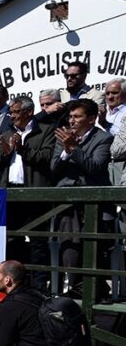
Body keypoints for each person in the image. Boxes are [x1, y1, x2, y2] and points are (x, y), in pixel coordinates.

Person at [50, 99, 114, 299]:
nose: (72, 121)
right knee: (70, 242)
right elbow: (54, 168)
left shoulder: (103, 138)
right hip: (67, 202)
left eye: (77, 117)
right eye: (70, 116)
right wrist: (66, 150)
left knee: (91, 246)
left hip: (92, 205)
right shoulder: (63, 136)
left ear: (91, 119)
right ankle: (75, 284)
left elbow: (95, 167)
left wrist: (74, 149)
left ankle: (90, 287)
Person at [0, 96, 56, 290]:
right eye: (11, 112)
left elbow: (47, 158)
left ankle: (38, 287)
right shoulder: (7, 133)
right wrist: (6, 153)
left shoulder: (45, 130)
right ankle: (15, 284)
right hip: (10, 195)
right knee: (11, 241)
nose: (12, 116)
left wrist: (22, 149)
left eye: (16, 112)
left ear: (29, 112)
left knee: (37, 242)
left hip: (34, 195)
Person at [99, 78, 125, 185]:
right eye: (107, 93)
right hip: (99, 163)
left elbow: (121, 140)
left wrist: (105, 124)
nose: (110, 97)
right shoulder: (99, 111)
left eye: (115, 93)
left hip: (120, 163)